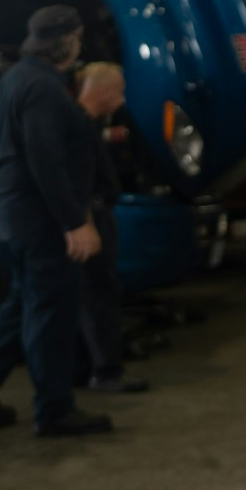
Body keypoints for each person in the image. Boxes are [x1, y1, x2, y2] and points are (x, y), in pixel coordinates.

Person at [0, 6, 114, 437]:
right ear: (63, 43)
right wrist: (74, 221)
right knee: (51, 312)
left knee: (23, 302)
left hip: (5, 211)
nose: (79, 47)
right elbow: (45, 159)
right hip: (34, 218)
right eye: (76, 39)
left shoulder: (13, 82)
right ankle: (55, 409)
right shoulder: (43, 87)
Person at [74, 62, 148, 394]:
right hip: (93, 217)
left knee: (90, 294)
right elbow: (77, 185)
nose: (121, 99)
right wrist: (86, 223)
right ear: (103, 91)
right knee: (98, 295)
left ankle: (86, 367)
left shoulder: (83, 125)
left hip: (94, 215)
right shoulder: (78, 127)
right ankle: (106, 372)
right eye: (118, 91)